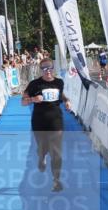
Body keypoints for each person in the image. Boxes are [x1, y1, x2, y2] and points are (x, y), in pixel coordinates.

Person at [21, 59, 72, 192]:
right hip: (39, 121)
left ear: (53, 68)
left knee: (56, 153)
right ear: (40, 70)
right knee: (42, 148)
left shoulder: (59, 82)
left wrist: (67, 101)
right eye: (44, 69)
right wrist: (33, 99)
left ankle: (56, 181)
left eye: (49, 68)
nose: (47, 71)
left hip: (56, 121)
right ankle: (41, 156)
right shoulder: (35, 84)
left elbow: (60, 95)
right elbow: (23, 102)